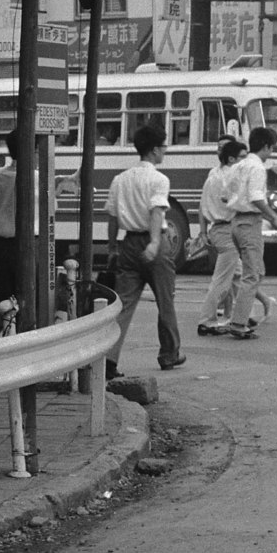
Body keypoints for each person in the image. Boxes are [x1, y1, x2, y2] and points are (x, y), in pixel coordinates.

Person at [104, 124, 183, 377]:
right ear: (154, 150)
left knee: (123, 304)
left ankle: (109, 359)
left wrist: (113, 247)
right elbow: (156, 212)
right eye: (164, 146)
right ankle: (169, 354)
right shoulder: (159, 179)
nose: (165, 151)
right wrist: (154, 243)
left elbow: (113, 218)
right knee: (165, 301)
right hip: (154, 244)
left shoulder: (120, 179)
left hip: (127, 244)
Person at [226, 126, 277, 341]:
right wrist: (273, 217)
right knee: (252, 275)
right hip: (250, 223)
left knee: (256, 271)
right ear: (266, 146)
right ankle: (239, 322)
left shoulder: (238, 166)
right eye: (272, 148)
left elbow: (226, 194)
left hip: (235, 222)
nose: (271, 153)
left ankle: (241, 316)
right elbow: (256, 197)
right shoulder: (257, 168)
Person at [196, 138, 247, 336]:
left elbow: (202, 205)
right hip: (227, 230)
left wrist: (202, 231)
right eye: (242, 157)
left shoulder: (213, 176)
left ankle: (240, 316)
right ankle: (207, 320)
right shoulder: (231, 178)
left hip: (216, 229)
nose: (245, 161)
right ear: (231, 159)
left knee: (237, 275)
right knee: (222, 281)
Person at [0, 155, 17, 307]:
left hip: (0, 238)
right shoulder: (37, 177)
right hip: (27, 240)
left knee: (4, 288)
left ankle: (5, 324)